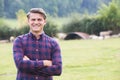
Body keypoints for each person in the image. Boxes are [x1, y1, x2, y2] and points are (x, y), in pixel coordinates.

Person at [13, 8, 62, 80]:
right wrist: (44, 63)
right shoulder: (19, 41)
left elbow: (58, 70)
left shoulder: (53, 43)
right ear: (28, 21)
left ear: (44, 21)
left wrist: (29, 66)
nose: (36, 22)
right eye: (33, 19)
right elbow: (20, 65)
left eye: (39, 19)